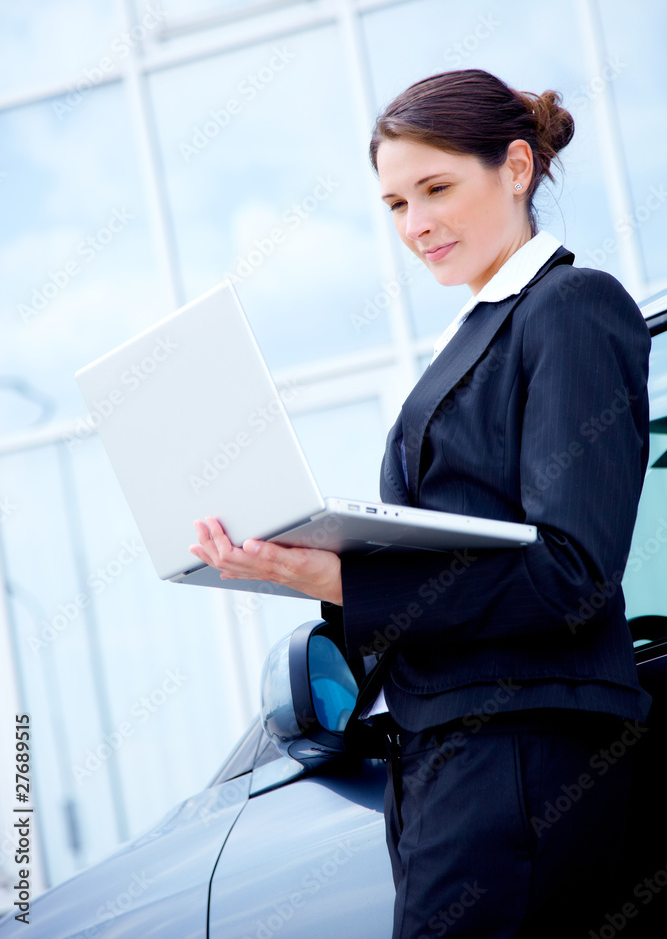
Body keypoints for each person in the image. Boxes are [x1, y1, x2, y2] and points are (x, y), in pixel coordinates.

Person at [188, 69, 652, 938]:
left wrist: (345, 582)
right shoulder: (475, 331)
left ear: (516, 168)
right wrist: (304, 567)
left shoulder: (570, 306)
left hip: (519, 755)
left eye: (435, 189)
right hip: (447, 759)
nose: (415, 225)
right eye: (396, 204)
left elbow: (571, 573)